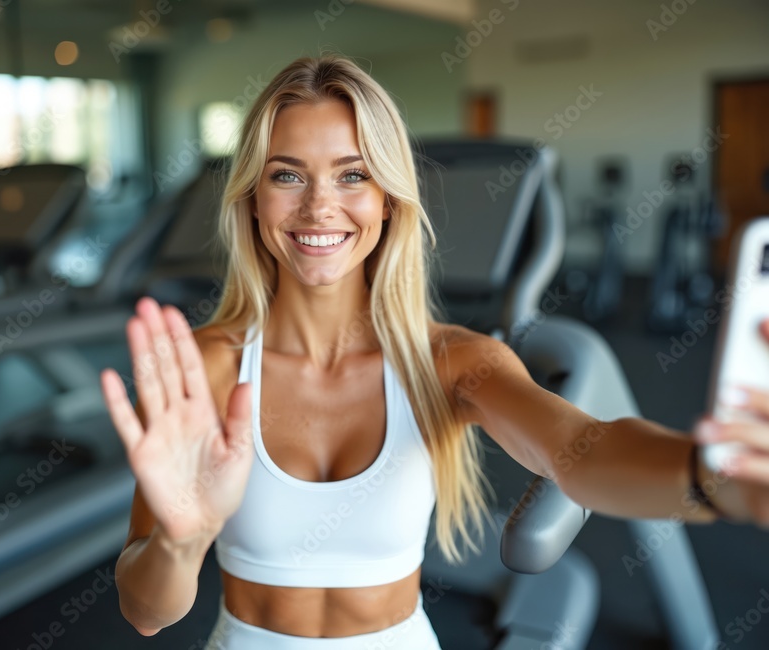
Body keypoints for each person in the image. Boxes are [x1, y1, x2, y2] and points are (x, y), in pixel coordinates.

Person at [100, 55, 769, 649]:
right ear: (251, 200)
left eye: (352, 175)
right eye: (287, 175)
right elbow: (147, 613)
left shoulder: (449, 362)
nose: (320, 207)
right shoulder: (207, 363)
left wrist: (713, 478)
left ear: (389, 201)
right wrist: (182, 541)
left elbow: (582, 449)